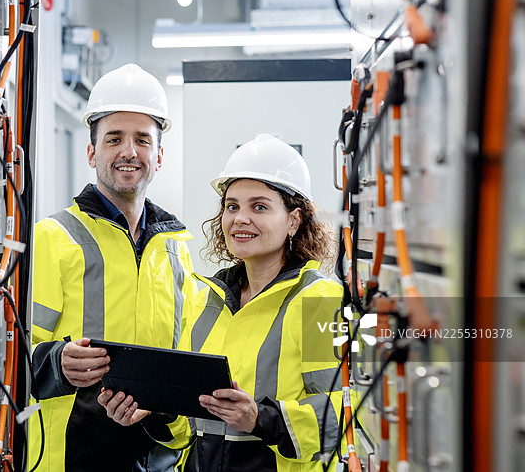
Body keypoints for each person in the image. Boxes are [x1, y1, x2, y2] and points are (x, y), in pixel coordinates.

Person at [99, 134, 344, 472]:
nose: (240, 218)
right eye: (232, 206)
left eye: (259, 206)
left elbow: (342, 412)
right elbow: (186, 429)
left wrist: (261, 419)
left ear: (294, 220)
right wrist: (153, 413)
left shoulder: (319, 300)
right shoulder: (207, 299)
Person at [28, 64, 197, 472]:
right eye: (114, 139)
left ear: (158, 155)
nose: (129, 151)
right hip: (70, 457)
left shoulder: (175, 248)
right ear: (92, 152)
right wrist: (58, 363)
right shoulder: (53, 237)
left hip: (156, 457)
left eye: (142, 139)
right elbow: (10, 357)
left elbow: (186, 354)